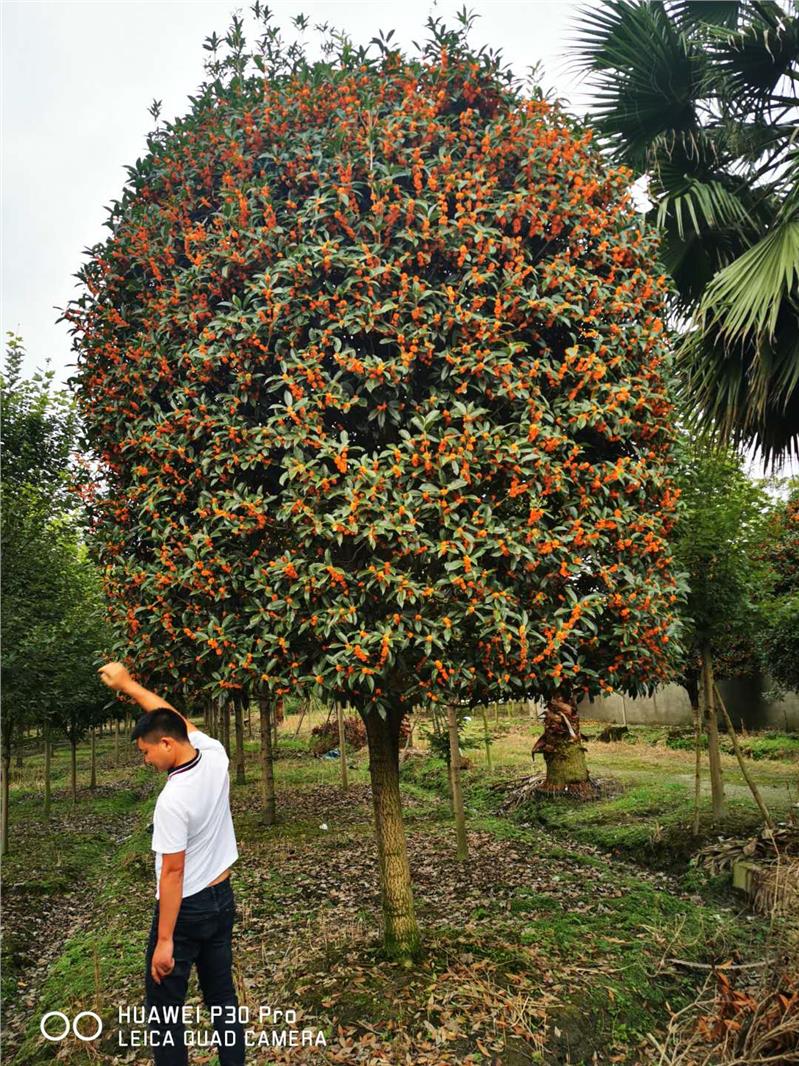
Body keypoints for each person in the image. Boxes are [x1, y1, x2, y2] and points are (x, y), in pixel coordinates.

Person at [98, 662, 246, 1065]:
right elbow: (174, 718)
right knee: (222, 998)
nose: (145, 760)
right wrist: (129, 685)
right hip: (222, 899)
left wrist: (165, 941)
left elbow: (173, 871)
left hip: (186, 911)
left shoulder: (173, 800)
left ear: (166, 744)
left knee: (164, 1012)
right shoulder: (215, 755)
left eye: (146, 752)